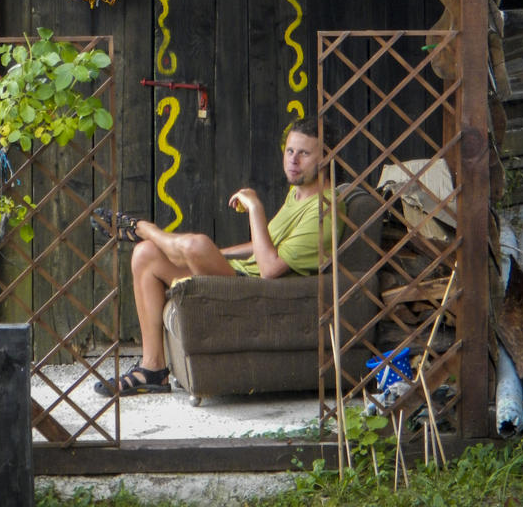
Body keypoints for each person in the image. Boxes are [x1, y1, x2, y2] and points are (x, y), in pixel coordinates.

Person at [90, 115, 343, 396]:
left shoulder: (325, 210)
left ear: (325, 158)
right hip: (242, 276)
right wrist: (217, 255)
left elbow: (270, 267)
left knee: (195, 245)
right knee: (144, 254)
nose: (293, 160)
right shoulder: (298, 195)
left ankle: (143, 227)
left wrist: (255, 208)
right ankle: (153, 369)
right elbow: (265, 246)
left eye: (304, 153)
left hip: (261, 291)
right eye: (289, 151)